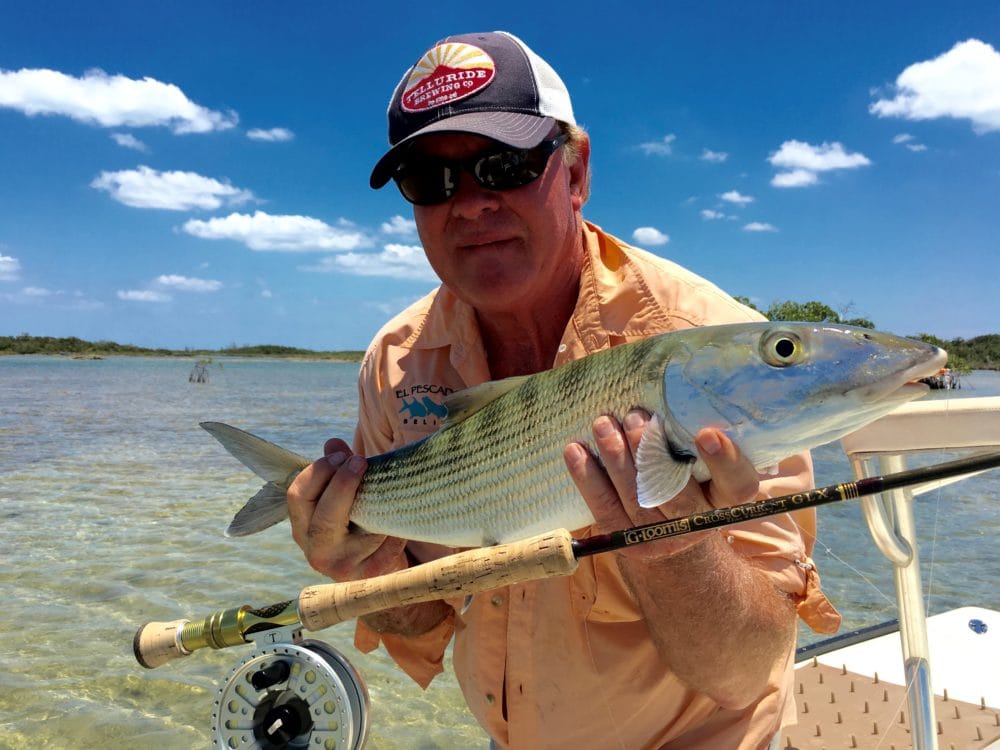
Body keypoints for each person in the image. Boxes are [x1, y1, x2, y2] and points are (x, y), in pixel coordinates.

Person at [287, 31, 840, 750]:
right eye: (431, 180)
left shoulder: (718, 354)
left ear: (576, 170)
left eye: (505, 164)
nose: (470, 204)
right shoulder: (397, 362)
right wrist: (368, 569)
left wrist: (676, 550)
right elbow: (425, 617)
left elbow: (745, 673)